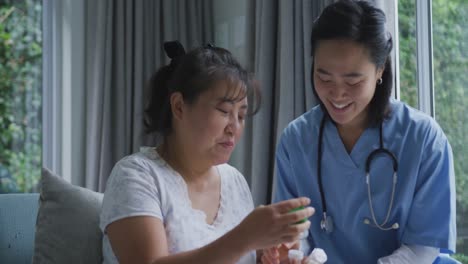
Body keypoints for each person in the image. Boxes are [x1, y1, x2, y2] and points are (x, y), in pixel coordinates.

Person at [262, 1, 456, 263]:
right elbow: (296, 233)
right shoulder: (296, 140)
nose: (337, 94)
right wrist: (294, 253)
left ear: (380, 70)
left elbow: (422, 247)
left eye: (353, 81)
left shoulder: (423, 139)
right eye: (324, 77)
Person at [99, 41, 314, 264]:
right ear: (179, 106)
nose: (234, 127)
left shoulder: (234, 181)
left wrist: (269, 258)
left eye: (241, 116)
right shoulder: (136, 176)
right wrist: (245, 238)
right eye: (224, 111)